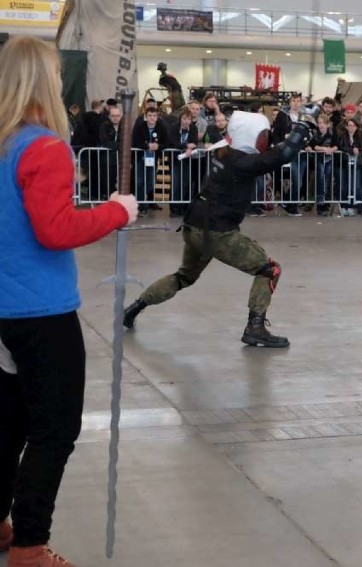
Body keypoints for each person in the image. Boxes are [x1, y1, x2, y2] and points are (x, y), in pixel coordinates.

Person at [0, 36, 138, 567]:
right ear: (44, 79)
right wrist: (116, 212)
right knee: (54, 429)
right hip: (41, 311)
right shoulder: (43, 146)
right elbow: (55, 229)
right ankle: (30, 546)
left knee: (9, 421)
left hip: (5, 310)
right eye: (57, 72)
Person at [122, 111, 311, 347]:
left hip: (194, 226)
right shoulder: (242, 162)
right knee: (269, 270)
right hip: (218, 232)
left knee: (183, 277)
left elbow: (269, 151)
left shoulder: (224, 151)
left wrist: (289, 138)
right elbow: (280, 155)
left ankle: (134, 308)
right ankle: (255, 328)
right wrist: (301, 131)